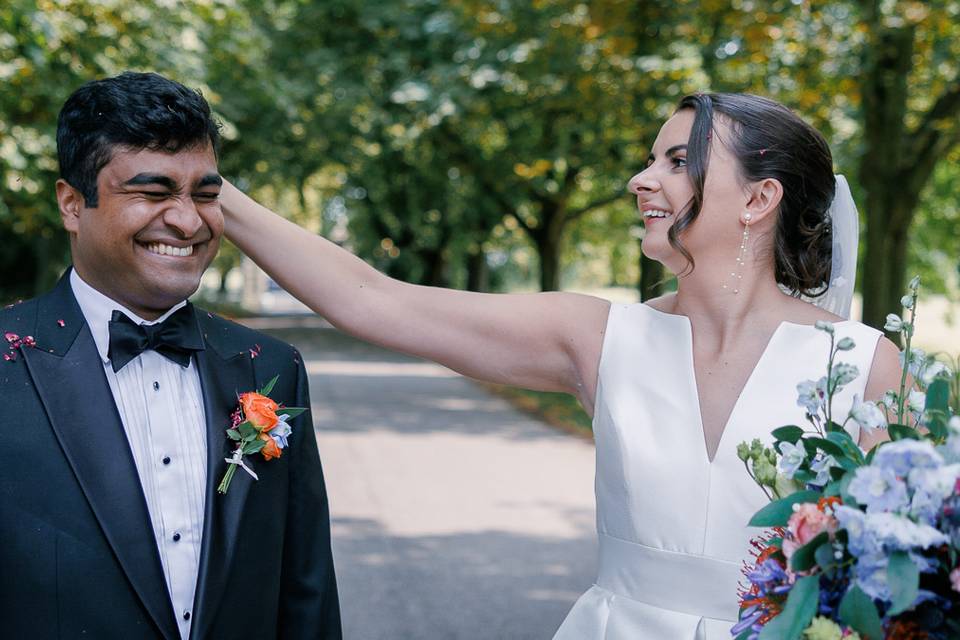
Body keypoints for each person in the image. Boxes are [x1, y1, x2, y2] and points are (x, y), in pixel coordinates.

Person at [218, 93, 901, 638]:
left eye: (676, 161)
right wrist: (212, 193)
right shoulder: (600, 337)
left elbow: (900, 580)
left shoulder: (866, 365)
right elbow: (376, 301)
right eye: (649, 161)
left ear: (758, 199)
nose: (641, 180)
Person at [0, 72, 341, 640]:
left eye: (205, 196)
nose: (188, 221)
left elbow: (306, 591)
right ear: (71, 205)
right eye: (153, 193)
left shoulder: (273, 367)